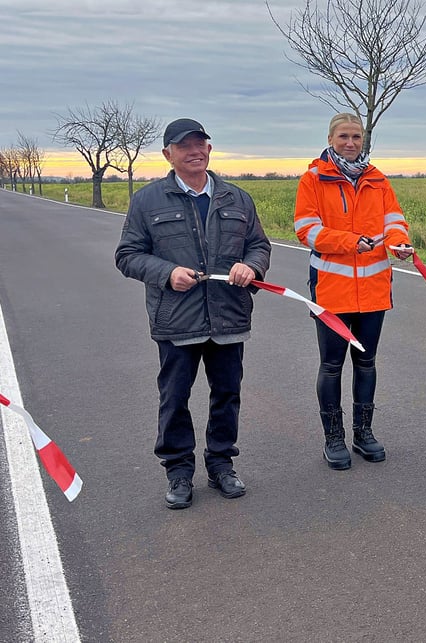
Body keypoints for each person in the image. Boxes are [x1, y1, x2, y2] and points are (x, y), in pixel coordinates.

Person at [115, 118, 271, 509]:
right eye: (185, 146)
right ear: (168, 154)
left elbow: (259, 246)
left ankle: (221, 464)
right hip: (176, 321)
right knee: (174, 398)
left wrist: (251, 267)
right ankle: (179, 471)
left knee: (227, 395)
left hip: (229, 317)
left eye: (201, 144)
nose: (195, 151)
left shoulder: (237, 199)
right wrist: (167, 274)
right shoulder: (147, 201)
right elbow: (128, 256)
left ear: (210, 149)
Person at [294, 113, 413, 470]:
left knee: (366, 362)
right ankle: (334, 437)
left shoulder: (377, 180)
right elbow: (307, 230)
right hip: (332, 290)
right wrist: (351, 243)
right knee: (332, 366)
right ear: (331, 139)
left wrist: (400, 242)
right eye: (344, 136)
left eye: (356, 137)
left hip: (374, 289)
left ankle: (364, 433)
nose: (350, 143)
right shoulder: (313, 179)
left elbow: (394, 220)